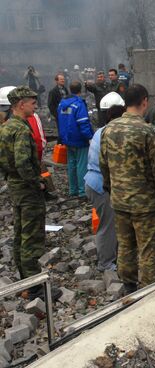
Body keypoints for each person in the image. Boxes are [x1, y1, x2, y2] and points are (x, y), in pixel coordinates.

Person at [100, 84, 155, 293]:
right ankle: (150, 291)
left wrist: (111, 189)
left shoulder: (109, 129)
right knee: (150, 248)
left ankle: (129, 286)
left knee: (125, 245)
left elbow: (103, 165)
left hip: (119, 200)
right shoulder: (147, 130)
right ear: (145, 100)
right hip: (145, 203)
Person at [0, 86, 60, 301]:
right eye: (32, 102)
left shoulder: (6, 128)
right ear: (20, 104)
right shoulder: (21, 130)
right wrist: (38, 183)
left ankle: (25, 279)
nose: (35, 106)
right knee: (31, 238)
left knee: (19, 236)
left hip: (16, 188)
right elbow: (24, 163)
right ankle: (35, 287)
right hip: (27, 191)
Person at [84, 93, 125, 273]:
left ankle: (110, 256)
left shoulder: (101, 130)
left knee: (110, 223)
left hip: (93, 182)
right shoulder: (113, 133)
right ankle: (106, 264)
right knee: (107, 226)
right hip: (101, 185)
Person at [58, 81, 94, 198]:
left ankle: (73, 190)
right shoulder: (79, 104)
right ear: (80, 90)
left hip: (67, 139)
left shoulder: (61, 104)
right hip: (80, 140)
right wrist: (89, 137)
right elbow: (83, 123)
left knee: (72, 165)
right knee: (81, 165)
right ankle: (82, 191)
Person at [47, 73, 69, 143]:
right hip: (59, 115)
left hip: (68, 114)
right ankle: (60, 146)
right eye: (61, 79)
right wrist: (57, 115)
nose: (63, 80)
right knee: (61, 131)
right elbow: (50, 105)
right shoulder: (53, 92)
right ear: (56, 81)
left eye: (63, 79)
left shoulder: (66, 89)